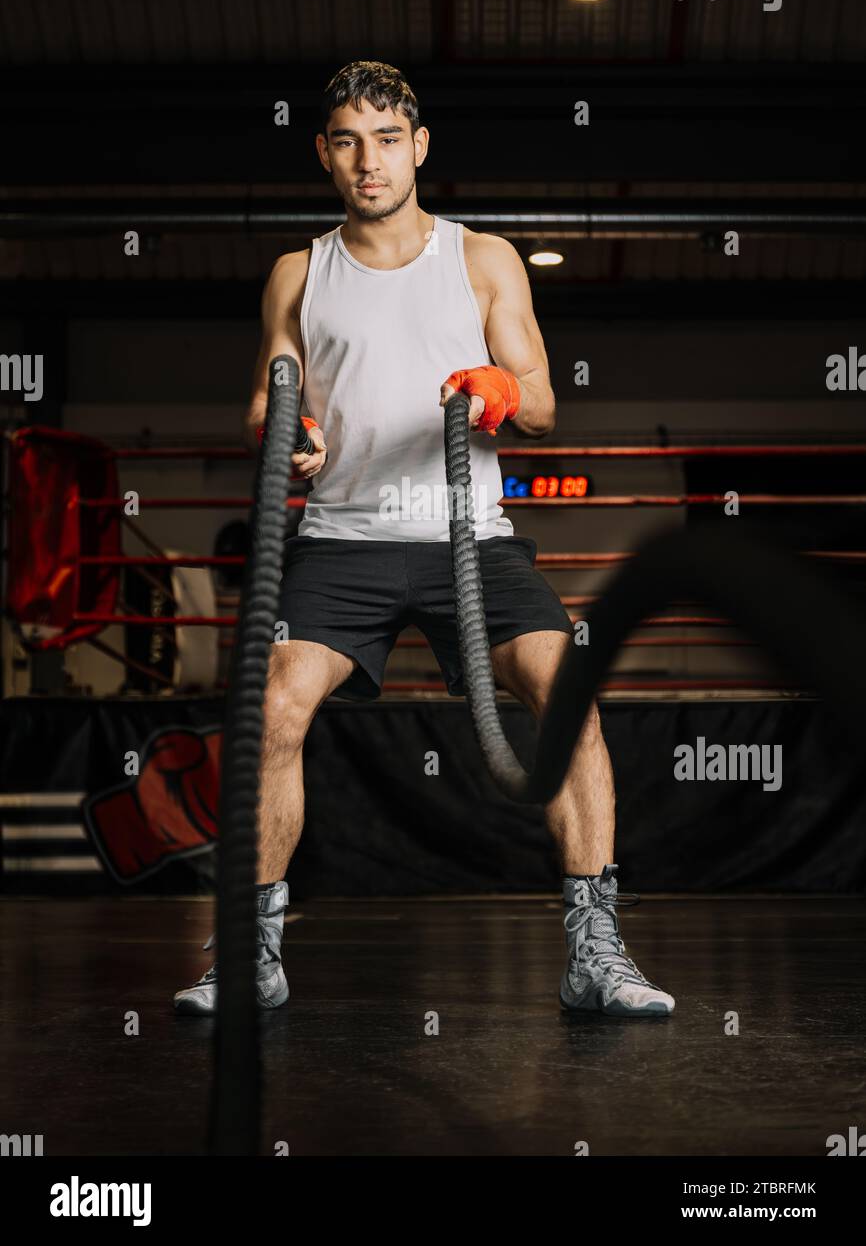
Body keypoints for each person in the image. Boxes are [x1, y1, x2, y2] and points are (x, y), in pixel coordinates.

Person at [174, 61, 674, 1018]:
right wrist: (293, 439)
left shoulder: (481, 259)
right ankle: (251, 949)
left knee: (566, 695)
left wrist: (501, 391)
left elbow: (541, 405)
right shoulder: (298, 272)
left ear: (421, 148)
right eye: (349, 141)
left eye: (389, 140)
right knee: (271, 708)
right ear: (324, 153)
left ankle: (596, 950)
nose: (371, 161)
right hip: (341, 540)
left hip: (468, 537)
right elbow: (264, 403)